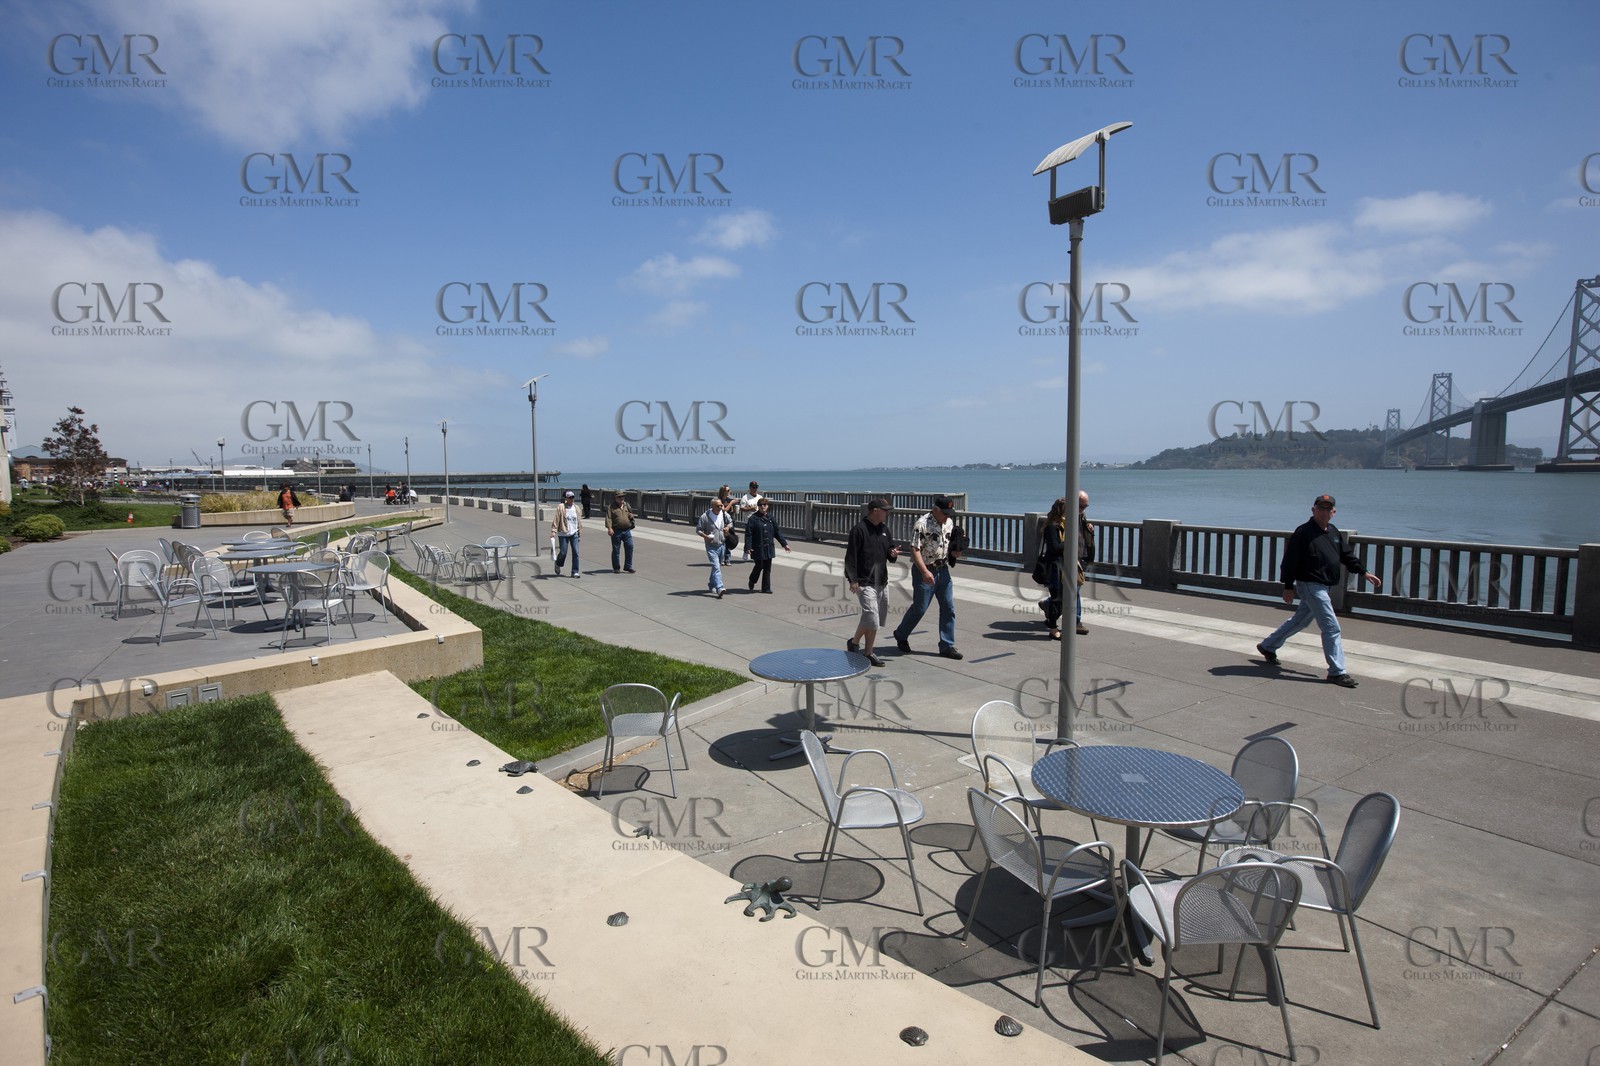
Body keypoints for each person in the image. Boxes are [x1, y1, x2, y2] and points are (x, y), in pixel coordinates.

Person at [1256, 494, 1382, 687]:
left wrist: (1364, 572)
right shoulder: (1303, 532)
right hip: (1310, 585)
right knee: (1331, 627)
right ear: (1313, 510)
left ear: (1333, 512)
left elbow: (1347, 556)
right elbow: (1289, 561)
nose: (1323, 512)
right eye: (1320, 508)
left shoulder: (1333, 532)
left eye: (1327, 509)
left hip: (1325, 585)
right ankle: (1337, 672)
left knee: (1300, 620)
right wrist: (1288, 586)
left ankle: (1268, 646)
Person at [892, 497, 962, 659]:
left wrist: (955, 553)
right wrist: (924, 572)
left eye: (949, 513)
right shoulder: (922, 523)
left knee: (948, 607)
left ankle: (947, 645)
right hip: (924, 570)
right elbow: (914, 549)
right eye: (945, 513)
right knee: (920, 608)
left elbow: (948, 543)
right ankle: (901, 634)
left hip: (943, 569)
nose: (947, 516)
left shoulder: (949, 522)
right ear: (935, 510)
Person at [844, 499, 899, 666]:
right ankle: (868, 653)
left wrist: (893, 553)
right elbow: (850, 557)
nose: (887, 513)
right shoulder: (859, 530)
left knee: (872, 618)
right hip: (864, 581)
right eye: (885, 510)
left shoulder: (884, 529)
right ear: (875, 510)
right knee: (872, 617)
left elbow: (890, 551)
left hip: (882, 580)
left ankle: (854, 643)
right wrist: (853, 580)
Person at [744, 497, 790, 594]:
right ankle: (752, 580)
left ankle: (766, 588)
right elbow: (749, 534)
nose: (762, 507)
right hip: (757, 547)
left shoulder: (770, 518)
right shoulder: (753, 519)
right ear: (758, 506)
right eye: (760, 505)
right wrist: (748, 547)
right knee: (759, 565)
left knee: (767, 568)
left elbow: (777, 532)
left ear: (767, 506)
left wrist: (784, 544)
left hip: (769, 546)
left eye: (764, 505)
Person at [696, 496, 731, 598]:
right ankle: (720, 588)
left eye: (722, 505)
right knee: (716, 567)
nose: (721, 507)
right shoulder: (705, 516)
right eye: (718, 506)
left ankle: (711, 584)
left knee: (717, 566)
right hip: (711, 546)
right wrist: (705, 536)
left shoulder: (724, 514)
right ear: (712, 506)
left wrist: (728, 527)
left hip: (722, 544)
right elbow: (698, 529)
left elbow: (731, 522)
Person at [550, 489, 582, 577]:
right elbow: (556, 519)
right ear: (566, 498)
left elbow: (578, 522)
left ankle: (575, 571)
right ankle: (558, 563)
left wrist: (579, 534)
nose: (572, 499)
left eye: (573, 497)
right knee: (563, 552)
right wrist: (553, 531)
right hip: (563, 533)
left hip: (574, 533)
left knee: (576, 552)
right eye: (570, 498)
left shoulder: (576, 508)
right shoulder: (561, 507)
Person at [606, 491, 637, 573]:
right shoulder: (611, 507)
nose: (621, 498)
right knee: (616, 550)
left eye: (622, 496)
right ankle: (616, 567)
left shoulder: (627, 505)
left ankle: (628, 566)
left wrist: (631, 517)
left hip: (627, 530)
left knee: (630, 547)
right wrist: (609, 528)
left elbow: (631, 514)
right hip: (616, 531)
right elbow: (608, 518)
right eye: (619, 497)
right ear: (615, 498)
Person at [737, 481, 763, 561]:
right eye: (753, 487)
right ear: (750, 488)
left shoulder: (760, 497)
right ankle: (746, 551)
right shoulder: (745, 497)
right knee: (749, 538)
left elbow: (763, 506)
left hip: (759, 520)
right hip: (749, 521)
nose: (755, 489)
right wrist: (750, 509)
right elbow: (741, 508)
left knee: (758, 538)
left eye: (756, 487)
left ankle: (757, 554)